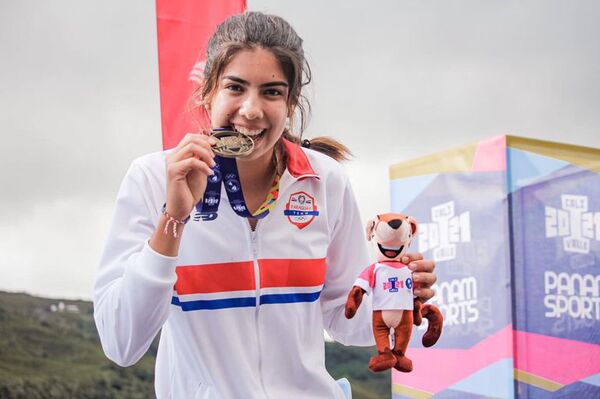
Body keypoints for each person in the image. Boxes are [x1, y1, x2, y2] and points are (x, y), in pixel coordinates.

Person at [93, 11, 437, 399]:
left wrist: (397, 298)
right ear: (208, 92)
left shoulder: (324, 181)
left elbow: (343, 317)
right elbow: (122, 342)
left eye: (271, 92)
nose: (251, 110)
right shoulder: (152, 178)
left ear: (291, 102)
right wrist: (173, 219)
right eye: (235, 88)